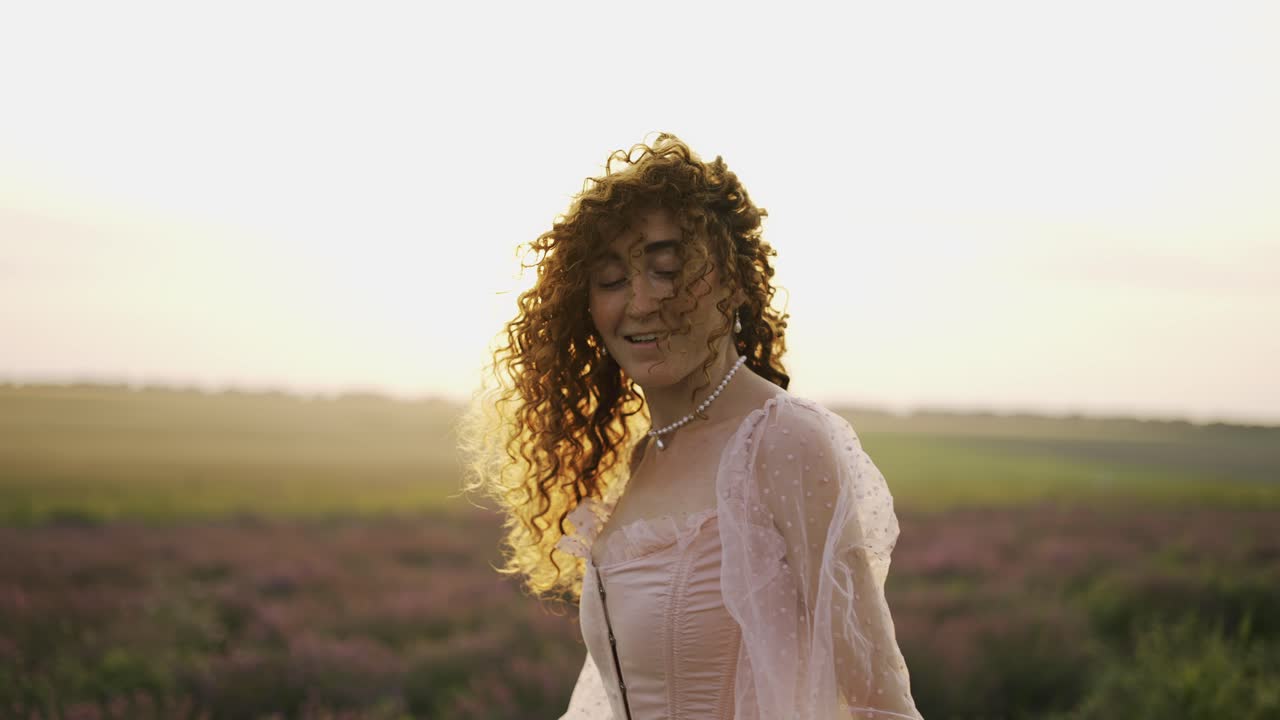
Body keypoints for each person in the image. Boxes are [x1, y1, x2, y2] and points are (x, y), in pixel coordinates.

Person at [460, 133, 922, 719]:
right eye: (610, 280)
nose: (641, 302)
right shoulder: (644, 457)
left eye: (668, 270)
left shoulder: (781, 439)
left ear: (733, 280)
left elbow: (879, 701)